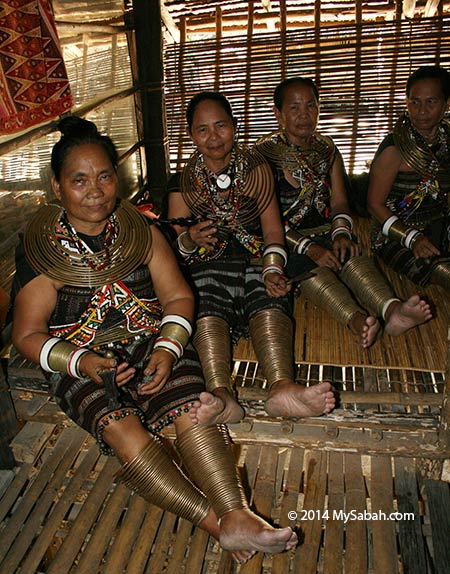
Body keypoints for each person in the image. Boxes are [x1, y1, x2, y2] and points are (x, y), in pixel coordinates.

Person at [10, 116, 298, 562]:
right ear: (56, 186)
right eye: (79, 180)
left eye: (105, 176)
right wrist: (83, 364)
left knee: (193, 408)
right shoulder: (42, 248)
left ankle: (235, 510)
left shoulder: (141, 231)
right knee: (123, 431)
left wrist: (166, 348)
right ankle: (216, 523)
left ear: (117, 179)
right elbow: (26, 336)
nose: (95, 190)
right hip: (77, 359)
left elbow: (179, 297)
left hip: (150, 343)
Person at [167, 91, 335, 425]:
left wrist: (274, 268)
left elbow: (274, 230)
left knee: (267, 289)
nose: (213, 137)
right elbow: (174, 246)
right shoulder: (182, 182)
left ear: (235, 127)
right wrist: (189, 238)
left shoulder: (258, 171)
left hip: (256, 256)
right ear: (190, 135)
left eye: (221, 126)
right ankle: (222, 395)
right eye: (203, 130)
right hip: (207, 264)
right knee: (204, 291)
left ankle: (282, 387)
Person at [255, 77, 432, 348]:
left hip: (325, 231)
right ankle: (357, 320)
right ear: (278, 113)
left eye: (311, 105)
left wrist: (340, 234)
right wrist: (309, 248)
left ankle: (392, 310)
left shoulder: (328, 149)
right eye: (294, 107)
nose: (304, 114)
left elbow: (339, 203)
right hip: (282, 241)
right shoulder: (262, 159)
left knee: (351, 255)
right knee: (312, 270)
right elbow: (264, 221)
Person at [367, 66, 450, 295]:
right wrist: (412, 238)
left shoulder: (447, 142)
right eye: (415, 102)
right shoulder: (394, 148)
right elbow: (374, 205)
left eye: (431, 102)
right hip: (394, 234)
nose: (422, 110)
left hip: (439, 224)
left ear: (446, 104)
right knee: (439, 269)